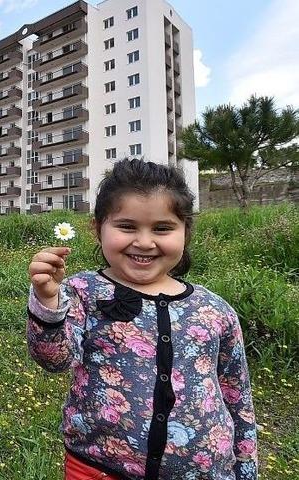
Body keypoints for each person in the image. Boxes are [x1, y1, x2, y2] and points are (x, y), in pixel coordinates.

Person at [27, 159, 258, 479]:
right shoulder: (83, 292)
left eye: (162, 228)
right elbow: (54, 359)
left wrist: (246, 467)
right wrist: (47, 300)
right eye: (127, 226)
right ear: (97, 228)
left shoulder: (215, 310)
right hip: (99, 469)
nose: (145, 242)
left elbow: (238, 398)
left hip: (205, 471)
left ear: (186, 232)